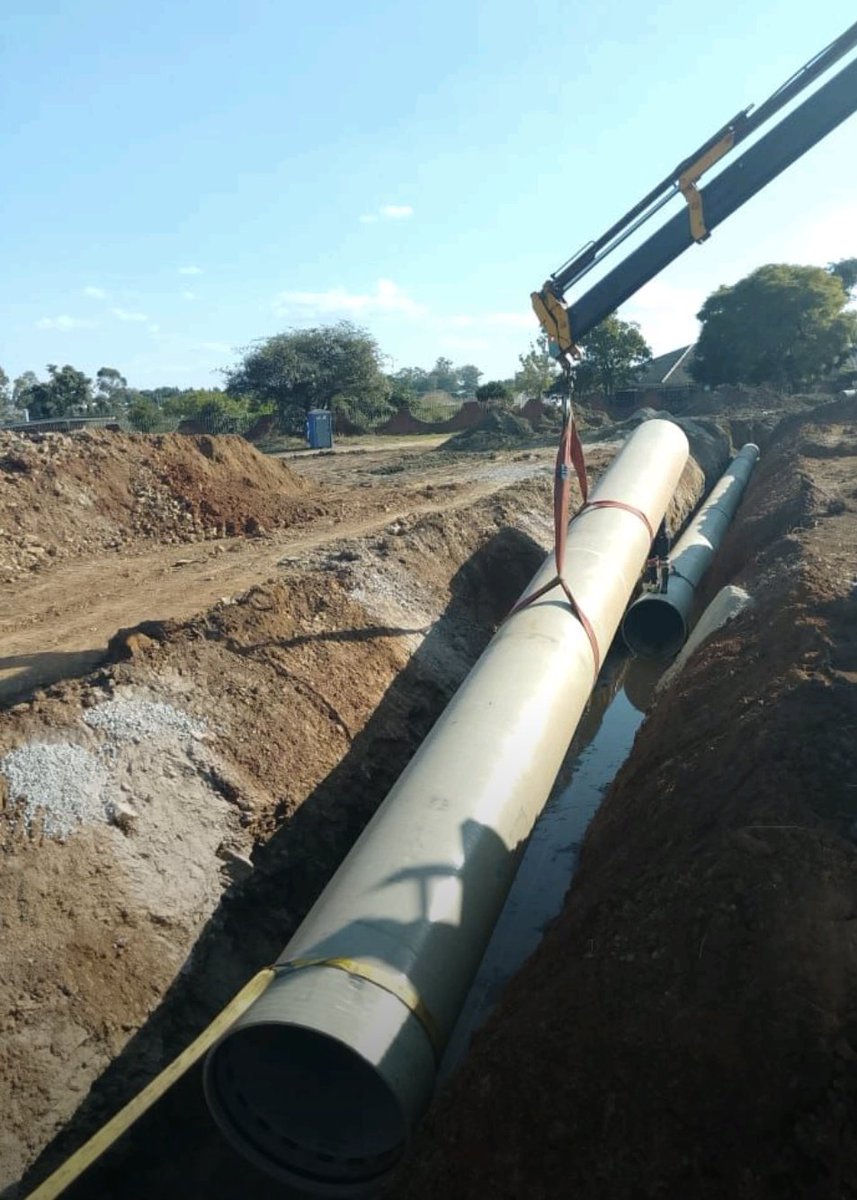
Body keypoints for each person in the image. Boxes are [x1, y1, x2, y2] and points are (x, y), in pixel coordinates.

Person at [645, 518, 671, 593]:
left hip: (661, 535)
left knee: (663, 561)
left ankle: (663, 586)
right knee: (652, 560)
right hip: (654, 536)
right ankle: (655, 584)